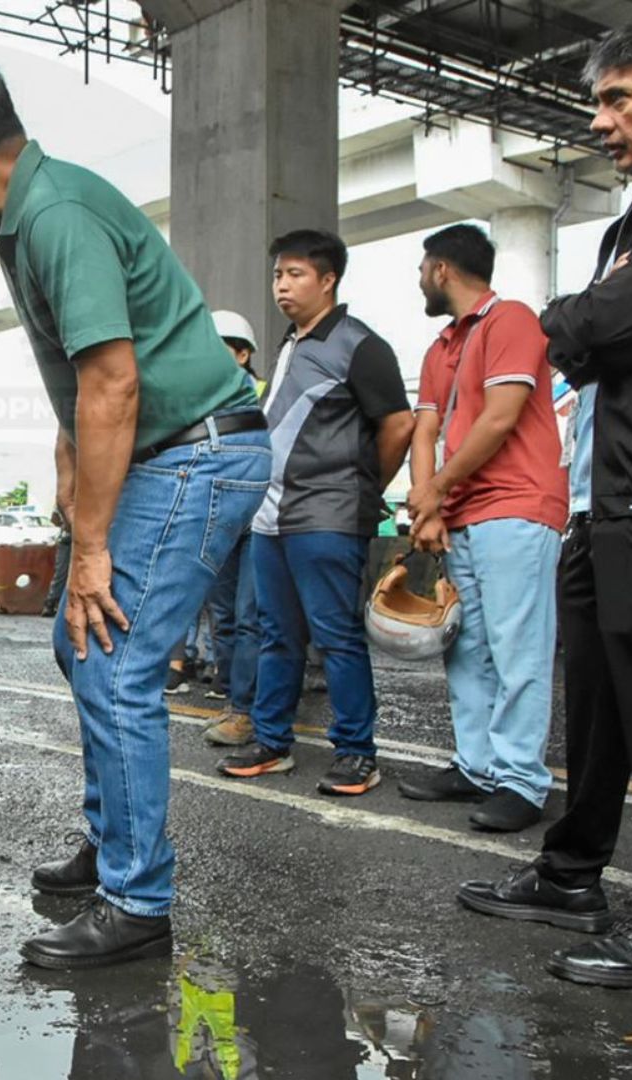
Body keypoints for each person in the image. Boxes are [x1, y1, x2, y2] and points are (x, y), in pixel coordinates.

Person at [0, 52, 271, 969]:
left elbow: (113, 382)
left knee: (117, 659)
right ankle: (115, 838)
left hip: (197, 451)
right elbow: (84, 377)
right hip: (168, 450)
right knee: (79, 642)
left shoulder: (55, 214)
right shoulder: (26, 217)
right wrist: (71, 472)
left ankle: (138, 903)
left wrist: (90, 546)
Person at [457, 14, 632, 989]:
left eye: (618, 98)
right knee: (597, 711)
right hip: (609, 497)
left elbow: (609, 321)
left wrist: (583, 320)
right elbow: (598, 331)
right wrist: (591, 322)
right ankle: (570, 873)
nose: (599, 121)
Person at [216, 230, 414, 797]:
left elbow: (399, 424)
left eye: (296, 274)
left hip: (328, 515)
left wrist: (363, 487)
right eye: (278, 274)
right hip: (271, 516)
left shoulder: (359, 344)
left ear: (328, 280)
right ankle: (272, 741)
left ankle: (357, 753)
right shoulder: (291, 343)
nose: (282, 285)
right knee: (276, 634)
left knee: (336, 636)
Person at [395, 224, 566, 833]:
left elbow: (499, 418)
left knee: (517, 649)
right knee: (465, 649)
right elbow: (424, 432)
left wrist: (435, 490)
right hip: (461, 513)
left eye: (422, 269)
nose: (419, 279)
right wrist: (430, 509)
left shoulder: (510, 319)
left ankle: (520, 780)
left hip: (517, 506)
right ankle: (477, 765)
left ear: (441, 269)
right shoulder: (440, 346)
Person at [194, 311, 268, 748]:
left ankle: (248, 709)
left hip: (258, 521)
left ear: (243, 354)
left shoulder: (265, 395)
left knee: (248, 618)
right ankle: (233, 699)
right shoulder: (202, 399)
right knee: (222, 617)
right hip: (220, 520)